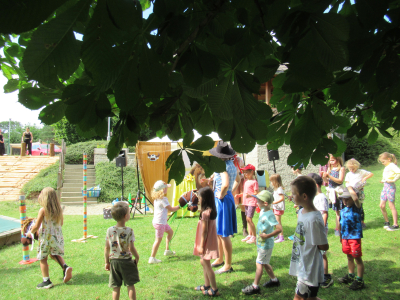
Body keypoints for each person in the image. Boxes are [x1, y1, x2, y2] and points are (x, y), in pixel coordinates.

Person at [289, 176, 329, 300]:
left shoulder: (314, 219)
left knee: (299, 298)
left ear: (304, 196)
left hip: (310, 267)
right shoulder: (301, 213)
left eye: (294, 194)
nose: (291, 197)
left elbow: (323, 245)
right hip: (302, 263)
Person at [25, 187, 72, 289]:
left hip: (45, 238)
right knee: (53, 254)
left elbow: (36, 226)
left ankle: (46, 281)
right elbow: (61, 223)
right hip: (57, 237)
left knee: (43, 259)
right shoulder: (59, 209)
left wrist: (29, 233)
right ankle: (65, 267)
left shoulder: (43, 210)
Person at [208, 141, 240, 274]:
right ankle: (220, 259)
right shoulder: (231, 165)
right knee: (219, 232)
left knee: (224, 233)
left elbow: (225, 183)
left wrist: (222, 194)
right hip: (227, 199)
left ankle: (227, 265)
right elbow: (238, 179)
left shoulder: (222, 167)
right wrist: (229, 192)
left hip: (222, 201)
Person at [241, 190, 282, 295]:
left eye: (258, 200)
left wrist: (267, 236)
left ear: (265, 203)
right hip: (261, 243)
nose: (256, 202)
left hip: (266, 244)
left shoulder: (270, 215)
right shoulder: (263, 210)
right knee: (265, 263)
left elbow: (279, 229)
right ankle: (274, 280)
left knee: (259, 263)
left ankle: (255, 286)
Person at [105, 202, 140, 300]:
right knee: (130, 285)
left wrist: (106, 262)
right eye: (129, 213)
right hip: (127, 261)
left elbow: (106, 248)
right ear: (126, 216)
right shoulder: (129, 230)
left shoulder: (109, 230)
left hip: (114, 262)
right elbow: (131, 248)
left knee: (115, 287)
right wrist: (137, 257)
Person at [194, 187, 220, 297]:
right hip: (208, 241)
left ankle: (214, 289)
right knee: (203, 262)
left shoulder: (205, 213)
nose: (199, 200)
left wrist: (201, 246)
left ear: (205, 199)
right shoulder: (211, 211)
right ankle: (207, 285)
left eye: (200, 198)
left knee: (207, 264)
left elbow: (204, 232)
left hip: (205, 242)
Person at [337, 188, 365, 290]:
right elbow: (340, 224)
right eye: (343, 199)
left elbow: (356, 198)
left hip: (354, 237)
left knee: (357, 258)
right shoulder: (343, 210)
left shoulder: (357, 208)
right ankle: (351, 275)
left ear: (352, 199)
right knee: (349, 257)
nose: (345, 201)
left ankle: (359, 280)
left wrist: (348, 186)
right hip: (345, 237)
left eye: (347, 199)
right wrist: (341, 236)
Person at [308, 173, 333, 288]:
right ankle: (317, 274)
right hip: (313, 229)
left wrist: (320, 229)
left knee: (322, 253)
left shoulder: (321, 197)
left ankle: (326, 276)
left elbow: (324, 214)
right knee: (314, 252)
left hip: (320, 230)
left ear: (315, 185)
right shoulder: (314, 197)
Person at [149, 180, 180, 263]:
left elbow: (161, 211)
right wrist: (180, 206)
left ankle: (167, 250)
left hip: (160, 222)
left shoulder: (156, 199)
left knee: (170, 232)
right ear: (162, 190)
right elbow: (171, 209)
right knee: (158, 240)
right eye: (166, 187)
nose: (167, 189)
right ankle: (152, 258)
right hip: (160, 223)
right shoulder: (164, 199)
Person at [344, 159, 374, 229]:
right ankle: (354, 221)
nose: (351, 170)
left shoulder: (361, 172)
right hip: (351, 192)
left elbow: (371, 174)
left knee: (360, 206)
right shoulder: (348, 174)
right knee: (352, 206)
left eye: (353, 168)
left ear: (356, 166)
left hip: (359, 191)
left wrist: (365, 178)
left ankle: (362, 222)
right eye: (350, 169)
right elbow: (347, 182)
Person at [235, 164, 259, 244]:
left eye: (246, 172)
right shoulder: (245, 181)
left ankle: (254, 237)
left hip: (251, 202)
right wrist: (240, 195)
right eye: (244, 172)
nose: (245, 174)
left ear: (252, 172)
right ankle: (250, 234)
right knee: (247, 219)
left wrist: (250, 195)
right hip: (246, 202)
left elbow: (256, 193)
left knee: (249, 219)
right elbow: (245, 192)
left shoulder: (254, 182)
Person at [322, 154, 345, 236]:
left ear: (338, 160)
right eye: (330, 160)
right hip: (332, 193)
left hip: (339, 192)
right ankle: (338, 228)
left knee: (340, 211)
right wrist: (324, 176)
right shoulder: (330, 169)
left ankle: (339, 228)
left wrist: (329, 176)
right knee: (337, 211)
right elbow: (327, 181)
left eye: (333, 160)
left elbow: (340, 181)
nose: (331, 162)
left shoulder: (341, 169)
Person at [378, 152, 400, 231]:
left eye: (383, 161)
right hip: (385, 186)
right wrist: (384, 180)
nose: (383, 163)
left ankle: (395, 225)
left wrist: (393, 180)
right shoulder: (388, 166)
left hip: (390, 187)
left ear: (389, 159)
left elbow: (399, 173)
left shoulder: (392, 165)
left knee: (391, 205)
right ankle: (387, 222)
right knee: (382, 205)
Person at [232, 155, 247, 236]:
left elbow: (243, 169)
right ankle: (231, 229)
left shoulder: (239, 159)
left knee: (242, 205)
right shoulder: (226, 160)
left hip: (239, 181)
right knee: (231, 206)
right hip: (231, 181)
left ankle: (245, 228)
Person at [270, 174, 285, 243]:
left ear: (275, 181)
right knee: (276, 221)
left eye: (272, 181)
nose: (271, 183)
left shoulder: (279, 189)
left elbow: (282, 198)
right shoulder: (276, 189)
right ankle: (279, 235)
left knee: (278, 222)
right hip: (276, 207)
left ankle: (281, 237)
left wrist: (274, 202)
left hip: (278, 207)